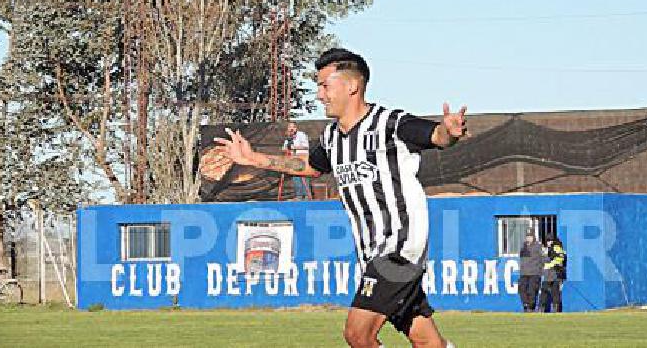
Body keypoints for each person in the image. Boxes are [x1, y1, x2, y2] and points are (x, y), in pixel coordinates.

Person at [215, 48, 467, 348]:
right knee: (427, 342)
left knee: (358, 334)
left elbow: (437, 136)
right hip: (370, 253)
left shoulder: (390, 123)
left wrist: (449, 132)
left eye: (324, 85)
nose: (320, 95)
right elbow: (310, 166)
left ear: (352, 86)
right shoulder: (331, 137)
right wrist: (255, 159)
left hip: (399, 246)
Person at [282, 121, 312, 200]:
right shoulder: (288, 138)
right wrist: (286, 149)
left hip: (303, 159)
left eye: (292, 127)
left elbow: (306, 147)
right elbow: (284, 148)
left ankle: (306, 196)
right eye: (289, 127)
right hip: (294, 161)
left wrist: (294, 147)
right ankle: (299, 196)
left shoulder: (301, 135)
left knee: (304, 179)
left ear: (296, 128)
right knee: (296, 179)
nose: (291, 129)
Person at [539, 234, 567, 313]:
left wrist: (549, 265)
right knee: (547, 290)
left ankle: (554, 308)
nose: (548, 242)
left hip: (556, 273)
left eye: (550, 240)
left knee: (553, 291)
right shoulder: (549, 249)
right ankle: (544, 308)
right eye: (547, 241)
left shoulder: (556, 248)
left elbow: (560, 259)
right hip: (550, 273)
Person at [517, 232, 544, 313]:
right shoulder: (523, 246)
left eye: (530, 236)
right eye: (527, 236)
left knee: (532, 290)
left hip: (534, 272)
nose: (528, 238)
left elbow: (542, 258)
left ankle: (531, 307)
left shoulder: (538, 246)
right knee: (522, 289)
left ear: (533, 237)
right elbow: (522, 259)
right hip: (524, 272)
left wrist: (541, 268)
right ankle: (525, 305)